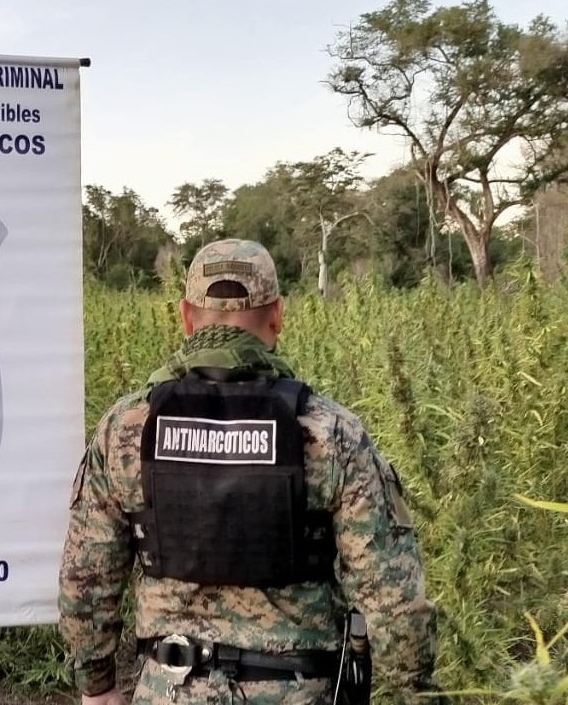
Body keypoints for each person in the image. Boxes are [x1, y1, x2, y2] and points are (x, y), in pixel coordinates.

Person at [58, 239, 443, 705]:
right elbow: (394, 597)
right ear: (277, 316)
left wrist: (96, 686)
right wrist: (414, 693)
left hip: (168, 689)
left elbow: (87, 575)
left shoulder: (126, 428)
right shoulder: (330, 432)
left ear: (186, 316)